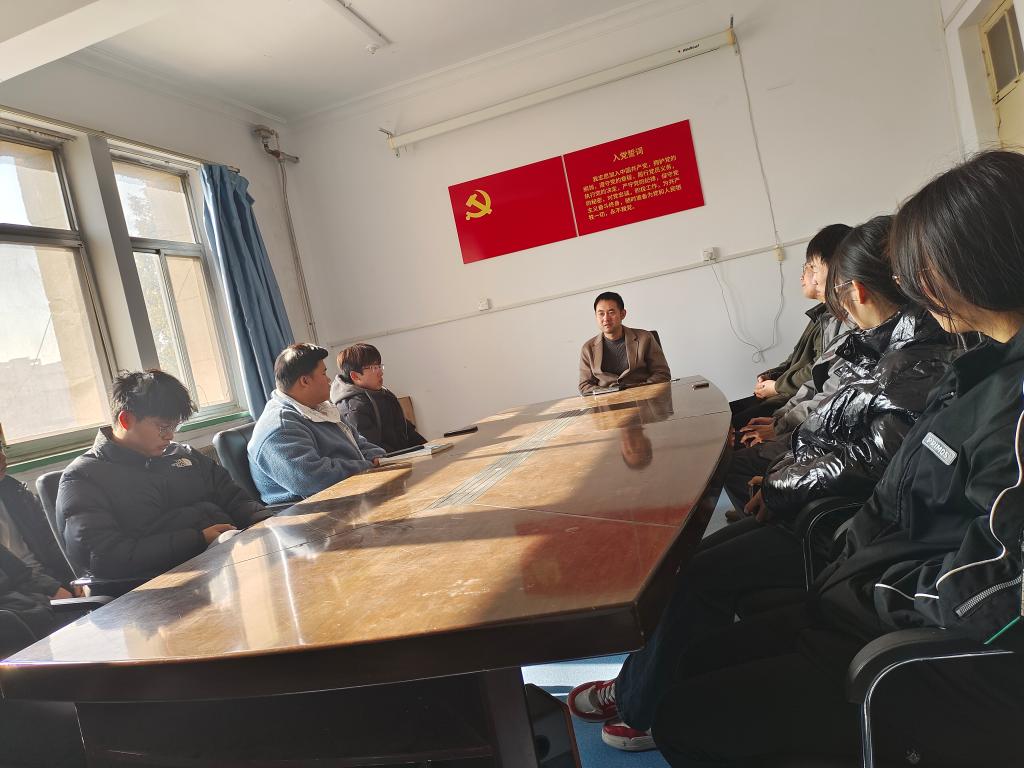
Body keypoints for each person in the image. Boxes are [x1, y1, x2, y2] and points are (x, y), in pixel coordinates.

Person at [651, 151, 1024, 766]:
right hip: (867, 597)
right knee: (701, 661)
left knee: (688, 714)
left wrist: (870, 589)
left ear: (983, 259)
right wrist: (852, 563)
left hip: (914, 650)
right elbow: (898, 492)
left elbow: (996, 588)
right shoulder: (977, 368)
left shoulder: (999, 389)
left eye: (927, 266)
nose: (917, 286)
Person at [567, 215, 958, 754]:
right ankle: (642, 688)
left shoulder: (912, 357)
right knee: (684, 564)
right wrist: (780, 475)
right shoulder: (881, 344)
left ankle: (644, 705)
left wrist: (779, 487)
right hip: (816, 500)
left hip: (834, 523)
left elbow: (865, 456)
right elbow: (828, 422)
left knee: (692, 573)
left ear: (856, 290)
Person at [58, 370, 268, 582]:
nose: (170, 435)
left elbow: (233, 498)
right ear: (126, 419)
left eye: (174, 426)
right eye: (163, 427)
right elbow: (104, 557)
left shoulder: (183, 454)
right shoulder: (83, 478)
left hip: (224, 561)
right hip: (159, 584)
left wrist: (264, 521)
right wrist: (198, 540)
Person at [729, 224, 851, 438]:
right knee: (727, 417)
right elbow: (802, 364)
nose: (807, 278)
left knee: (733, 430)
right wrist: (774, 376)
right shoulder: (824, 316)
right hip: (796, 405)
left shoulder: (846, 322)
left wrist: (777, 389)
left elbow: (821, 379)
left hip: (797, 406)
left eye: (812, 268)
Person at [249, 343, 386, 504]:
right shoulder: (280, 428)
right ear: (305, 381)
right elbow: (310, 478)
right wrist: (367, 466)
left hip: (352, 492)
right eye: (323, 373)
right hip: (313, 510)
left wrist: (377, 457)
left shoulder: (321, 408)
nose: (329, 379)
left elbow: (357, 441)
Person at [331, 343, 426, 454]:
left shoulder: (386, 396)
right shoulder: (352, 408)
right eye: (374, 368)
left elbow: (406, 431)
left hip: (405, 457)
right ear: (355, 376)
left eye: (379, 366)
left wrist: (428, 446)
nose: (381, 372)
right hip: (388, 462)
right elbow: (372, 449)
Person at [579, 292, 670, 393]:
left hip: (643, 396)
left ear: (623, 314)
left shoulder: (645, 338)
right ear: (596, 316)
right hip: (606, 400)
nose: (606, 318)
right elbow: (585, 385)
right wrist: (609, 393)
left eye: (611, 312)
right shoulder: (588, 348)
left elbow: (662, 374)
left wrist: (639, 391)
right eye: (601, 314)